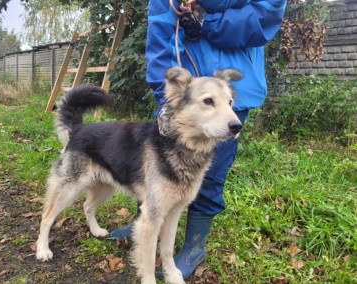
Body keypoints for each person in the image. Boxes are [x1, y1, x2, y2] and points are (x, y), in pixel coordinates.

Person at [110, 0, 287, 279]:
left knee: (210, 173)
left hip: (229, 87)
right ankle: (146, 225)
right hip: (182, 93)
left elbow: (265, 15)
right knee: (153, 169)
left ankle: (194, 246)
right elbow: (161, 29)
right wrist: (164, 92)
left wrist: (206, 21)